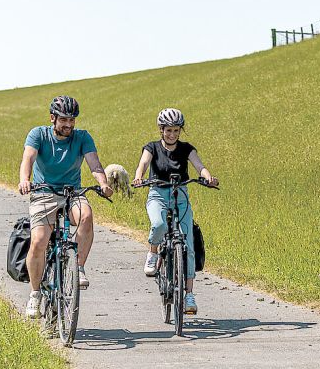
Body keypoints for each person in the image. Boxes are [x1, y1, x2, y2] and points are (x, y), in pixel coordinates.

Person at [17, 95, 114, 318]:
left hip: (72, 192)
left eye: (72, 120)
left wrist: (103, 183)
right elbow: (28, 159)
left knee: (86, 216)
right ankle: (35, 294)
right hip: (44, 192)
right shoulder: (38, 134)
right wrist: (25, 179)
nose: (68, 125)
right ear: (53, 118)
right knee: (39, 241)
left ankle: (77, 266)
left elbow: (94, 163)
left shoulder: (82, 138)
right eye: (64, 120)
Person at [132, 108, 218, 314]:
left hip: (181, 195)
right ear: (161, 130)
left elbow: (199, 166)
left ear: (181, 130)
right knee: (159, 224)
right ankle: (153, 253)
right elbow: (143, 164)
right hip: (158, 194)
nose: (172, 134)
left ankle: (189, 295)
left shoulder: (187, 148)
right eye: (168, 130)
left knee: (187, 244)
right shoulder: (151, 147)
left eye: (176, 130)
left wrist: (208, 177)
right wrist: (138, 177)